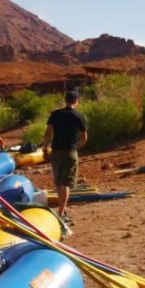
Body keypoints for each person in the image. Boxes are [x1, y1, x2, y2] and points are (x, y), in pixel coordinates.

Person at [42, 90, 88, 222]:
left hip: (56, 152)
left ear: (66, 100)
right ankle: (61, 213)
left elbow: (48, 133)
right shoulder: (79, 116)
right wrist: (76, 147)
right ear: (76, 101)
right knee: (66, 183)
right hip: (70, 152)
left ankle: (63, 210)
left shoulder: (55, 114)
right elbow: (84, 137)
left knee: (58, 182)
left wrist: (45, 148)